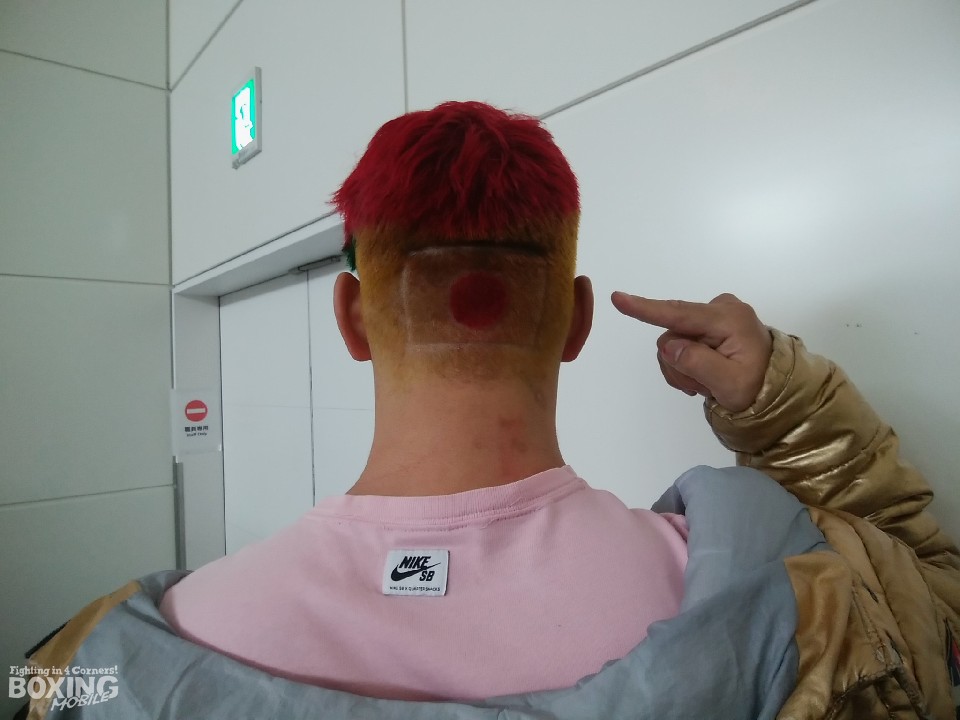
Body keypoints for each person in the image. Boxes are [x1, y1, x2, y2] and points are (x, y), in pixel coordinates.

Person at [20, 102, 960, 719]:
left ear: (350, 318)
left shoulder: (92, 668)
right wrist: (785, 408)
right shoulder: (813, 601)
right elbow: (937, 614)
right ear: (577, 320)